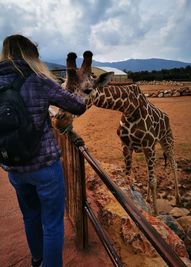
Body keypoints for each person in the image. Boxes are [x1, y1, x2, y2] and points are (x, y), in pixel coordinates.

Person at [0, 34, 86, 267]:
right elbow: (78, 106)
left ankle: (37, 260)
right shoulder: (38, 79)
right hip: (45, 166)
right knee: (52, 224)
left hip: (14, 166)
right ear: (31, 55)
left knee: (30, 216)